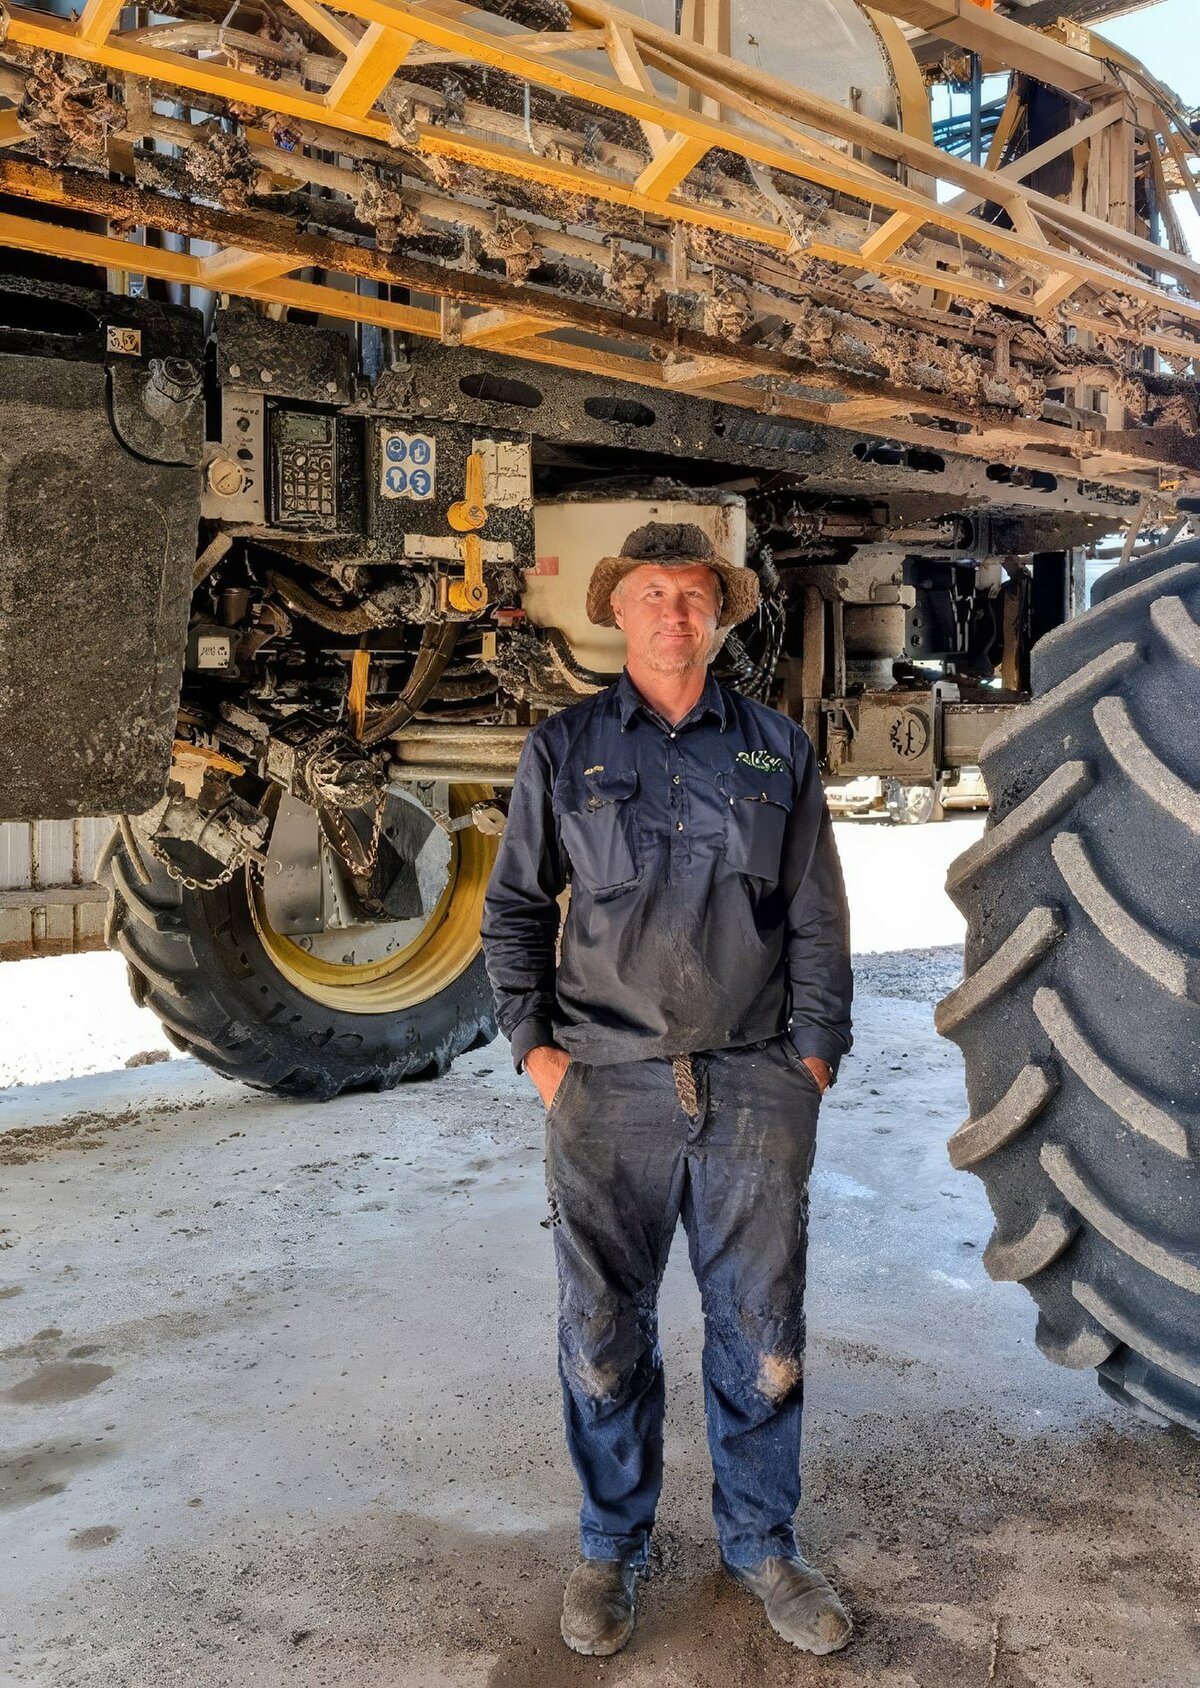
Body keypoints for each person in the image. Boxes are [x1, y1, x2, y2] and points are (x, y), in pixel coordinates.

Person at [481, 521, 853, 1658]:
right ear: (620, 610)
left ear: (721, 612)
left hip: (752, 1083)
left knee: (761, 1328)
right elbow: (513, 913)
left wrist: (814, 1060)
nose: (674, 613)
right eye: (652, 593)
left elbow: (817, 919)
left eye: (694, 594)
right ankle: (611, 1544)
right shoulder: (565, 746)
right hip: (605, 1088)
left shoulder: (775, 750)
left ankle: (761, 1542)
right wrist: (539, 1054)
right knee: (601, 1333)